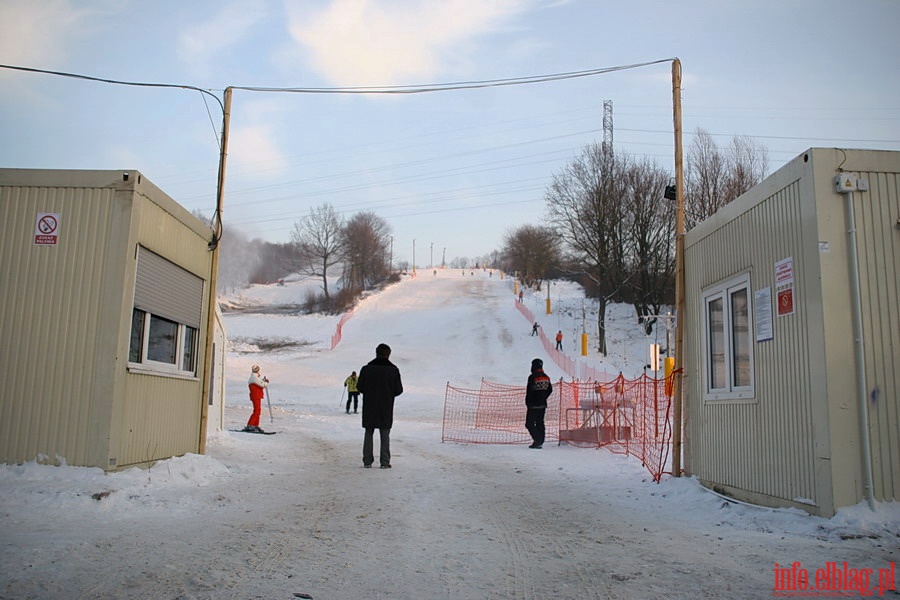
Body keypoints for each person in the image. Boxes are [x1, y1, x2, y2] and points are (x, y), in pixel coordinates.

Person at [356, 343, 403, 469]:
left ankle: (367, 461)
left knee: (368, 432)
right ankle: (385, 462)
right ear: (388, 354)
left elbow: (359, 387)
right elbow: (399, 390)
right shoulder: (393, 370)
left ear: (376, 353)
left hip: (369, 405)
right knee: (385, 433)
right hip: (386, 406)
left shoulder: (366, 369)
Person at [524, 358, 552, 449]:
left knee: (529, 423)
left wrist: (528, 402)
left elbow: (530, 391)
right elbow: (550, 390)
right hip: (543, 404)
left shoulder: (532, 377)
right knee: (540, 422)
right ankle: (541, 440)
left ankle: (538, 440)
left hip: (533, 405)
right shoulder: (546, 377)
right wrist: (543, 397)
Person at [244, 364, 269, 433]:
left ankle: (255, 425)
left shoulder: (254, 378)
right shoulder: (254, 378)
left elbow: (260, 384)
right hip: (256, 396)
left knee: (258, 411)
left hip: (256, 396)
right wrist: (266, 382)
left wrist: (263, 382)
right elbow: (263, 385)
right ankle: (250, 425)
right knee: (257, 411)